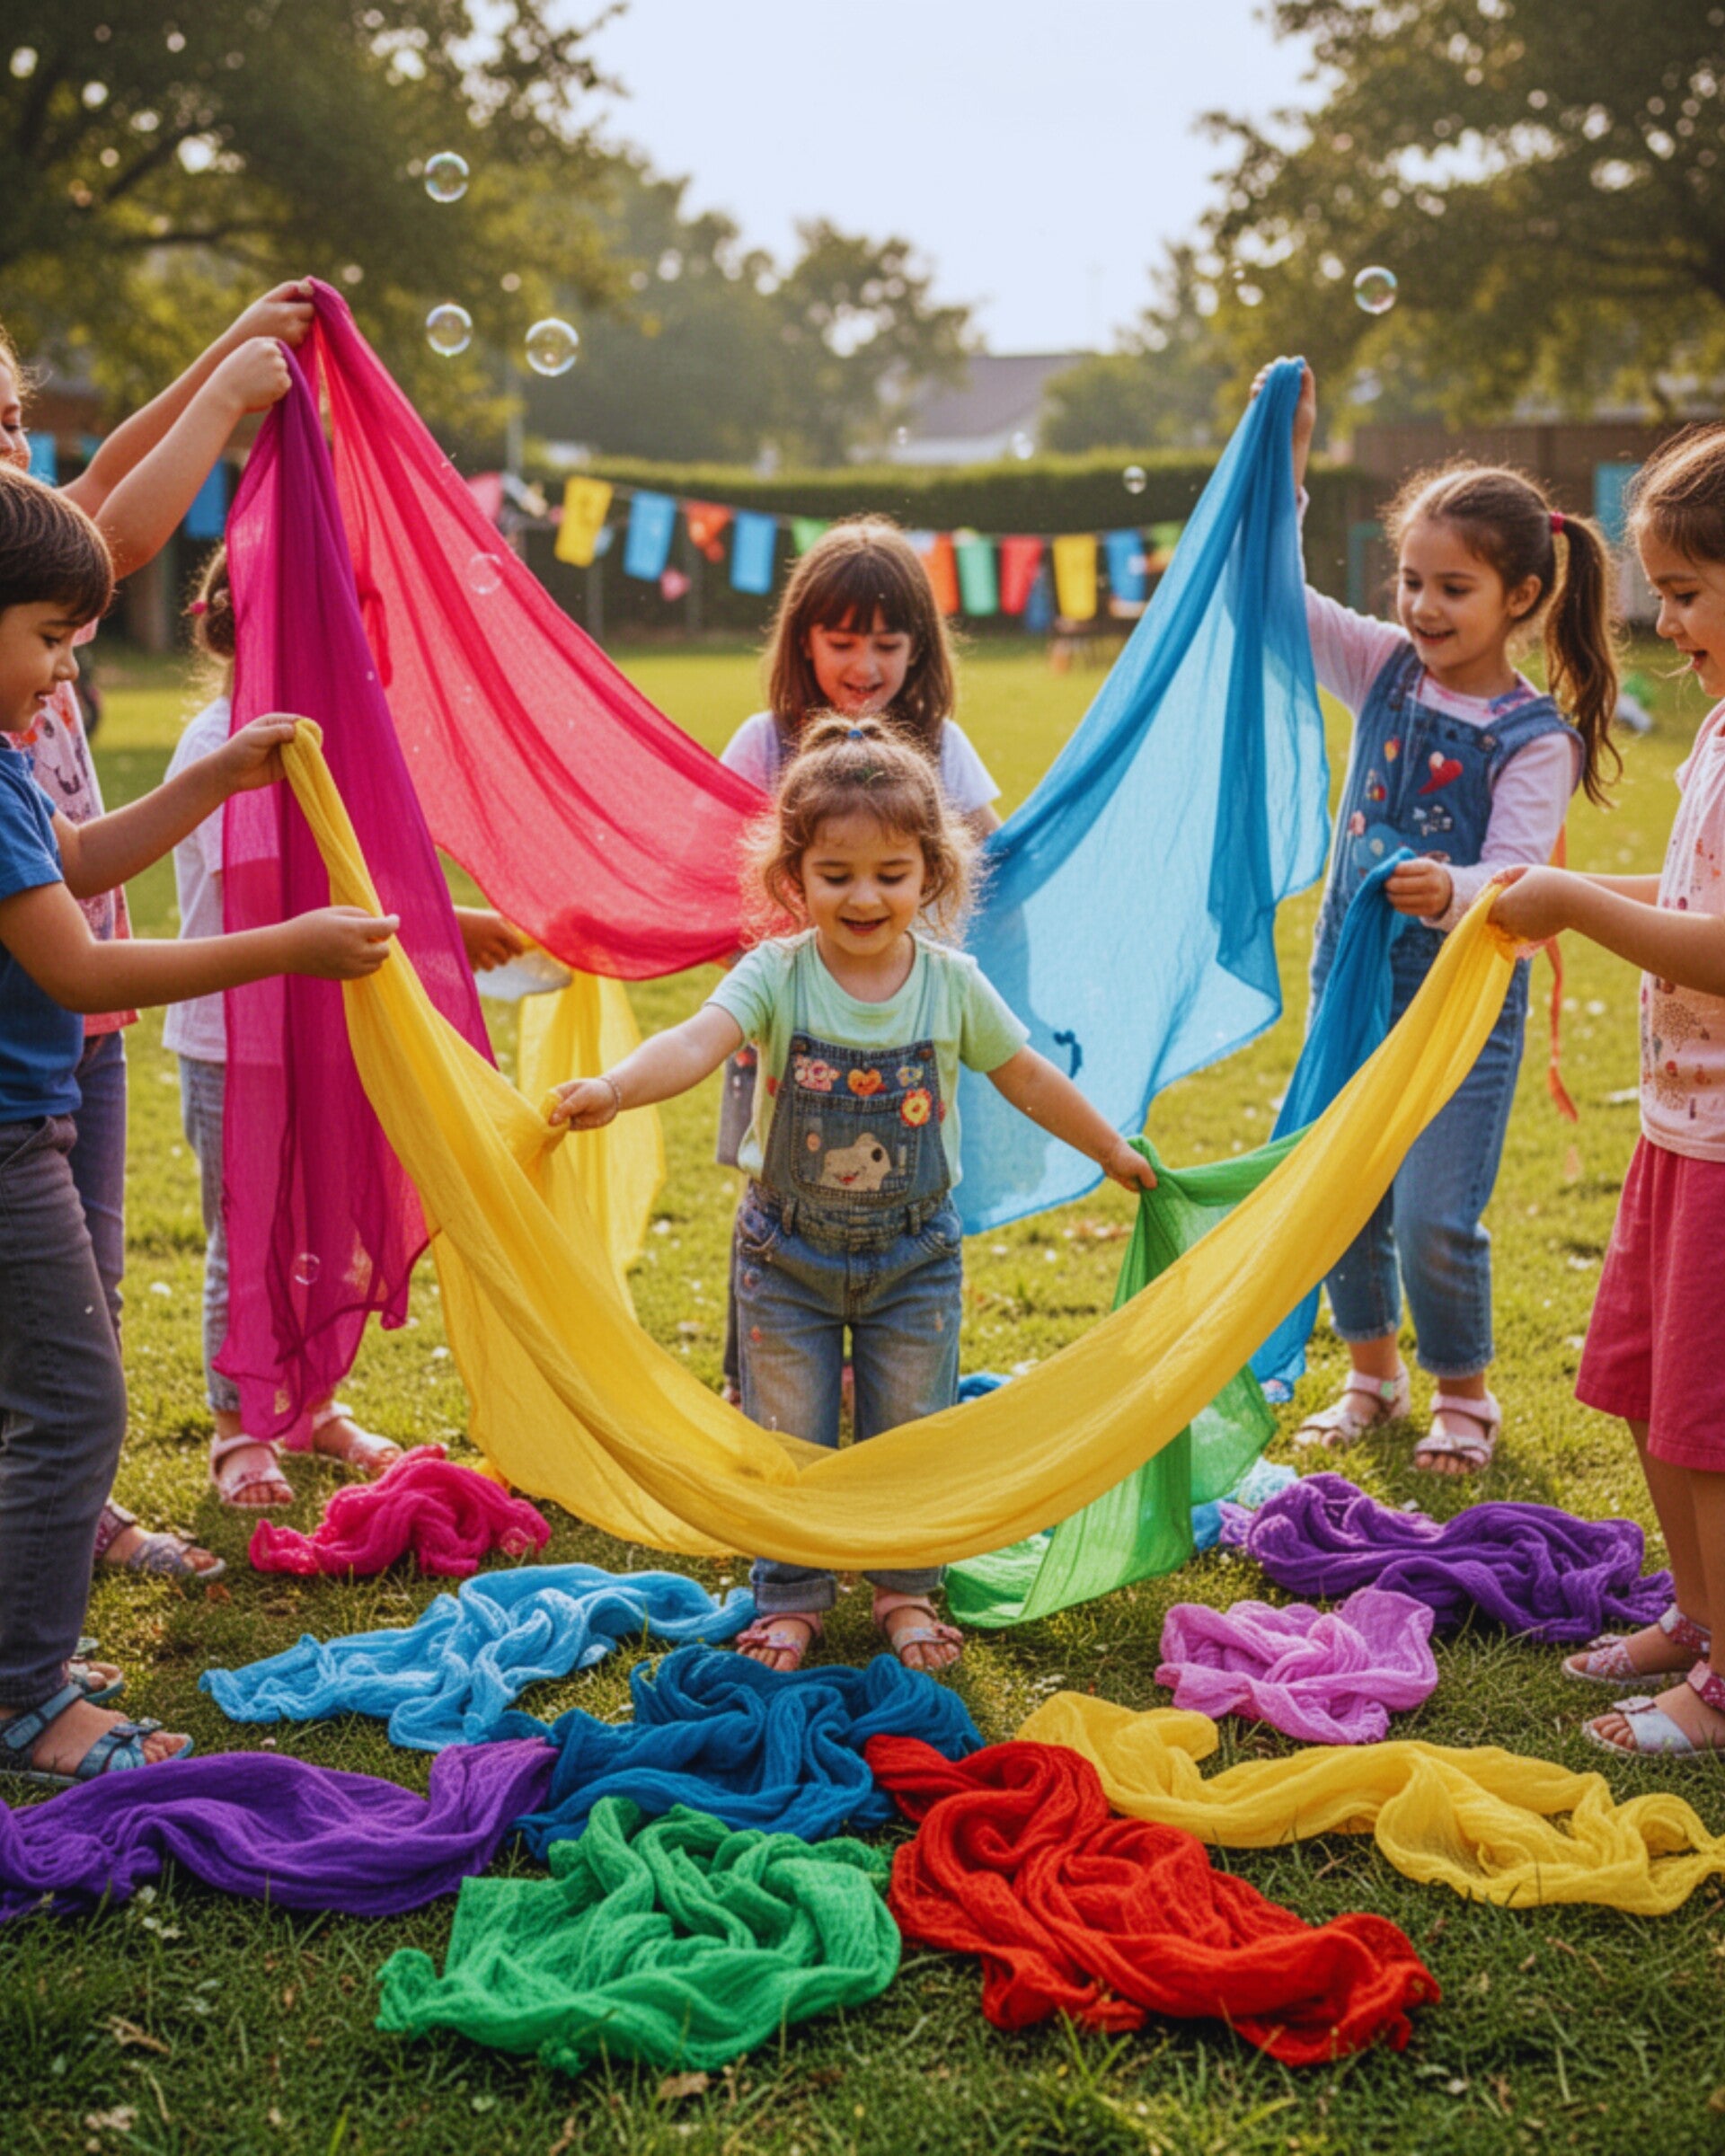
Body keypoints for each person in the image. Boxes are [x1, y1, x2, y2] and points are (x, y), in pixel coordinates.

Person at [550, 717, 1155, 1674]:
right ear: (793, 878)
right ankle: (790, 1597)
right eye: (836, 875)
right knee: (786, 1439)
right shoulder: (776, 974)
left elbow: (1027, 1075)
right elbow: (697, 1041)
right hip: (785, 1256)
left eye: (890, 874)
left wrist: (1111, 1148)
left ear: (931, 875)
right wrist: (616, 1089)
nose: (864, 896)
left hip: (915, 1258)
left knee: (911, 1435)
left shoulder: (951, 984)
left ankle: (905, 1590)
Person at [0, 466, 396, 1785]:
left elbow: (78, 859)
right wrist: (282, 947)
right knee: (72, 1406)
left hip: (29, 1128)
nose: (68, 674)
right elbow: (80, 967)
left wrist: (219, 775)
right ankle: (23, 1700)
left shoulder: (5, 766)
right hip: (7, 1145)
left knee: (47, 1400)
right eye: (50, 639)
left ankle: (20, 1658)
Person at [2, 282, 316, 1577]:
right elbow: (117, 532)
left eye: (13, 421)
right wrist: (230, 388)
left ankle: (71, 1511)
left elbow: (96, 488)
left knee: (85, 1284)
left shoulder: (22, 577)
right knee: (45, 1315)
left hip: (78, 1013)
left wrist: (220, 350)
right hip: (50, 991)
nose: (13, 449)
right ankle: (47, 1529)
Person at [1262, 360, 1618, 1476]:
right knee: (1342, 1191)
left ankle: (1466, 1397)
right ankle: (1372, 1375)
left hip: (1461, 1011)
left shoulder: (1536, 738)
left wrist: (1453, 889)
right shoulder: (1383, 668)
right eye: (1411, 580)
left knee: (1432, 1216)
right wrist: (1289, 459)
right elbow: (1274, 596)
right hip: (1356, 988)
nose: (1422, 607)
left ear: (1522, 596)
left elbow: (1518, 878)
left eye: (1453, 588)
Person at [169, 547, 522, 1507]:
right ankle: (241, 1430)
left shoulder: (334, 746)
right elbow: (268, 885)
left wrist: (446, 920)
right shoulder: (217, 745)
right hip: (237, 1049)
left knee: (326, 1230)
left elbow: (368, 861)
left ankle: (313, 1406)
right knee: (251, 1239)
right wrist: (434, 924)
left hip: (326, 1041)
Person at [1490, 424, 1725, 1754]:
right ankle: (1700, 1616)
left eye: (1686, 594)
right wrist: (1568, 893)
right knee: (1650, 1397)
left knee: (1707, 1424)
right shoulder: (1719, 731)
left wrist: (1575, 901)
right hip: (1677, 1126)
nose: (1664, 624)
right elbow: (1687, 895)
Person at [712, 517, 1003, 1400]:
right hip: (787, 1021)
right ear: (804, 641)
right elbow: (706, 862)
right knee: (776, 1190)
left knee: (898, 1184)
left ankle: (882, 1357)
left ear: (920, 648)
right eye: (842, 641)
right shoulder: (765, 743)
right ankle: (759, 1368)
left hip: (904, 1028)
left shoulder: (942, 747)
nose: (864, 664)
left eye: (887, 642)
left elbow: (997, 854)